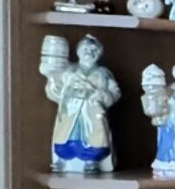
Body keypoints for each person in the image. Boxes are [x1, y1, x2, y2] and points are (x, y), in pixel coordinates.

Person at [43, 34, 120, 173]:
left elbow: (115, 92)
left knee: (95, 138)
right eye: (85, 49)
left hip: (92, 112)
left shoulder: (103, 74)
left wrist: (102, 95)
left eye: (94, 50)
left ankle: (92, 160)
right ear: (78, 52)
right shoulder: (69, 71)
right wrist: (52, 81)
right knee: (66, 136)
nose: (89, 53)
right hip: (71, 111)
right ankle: (63, 159)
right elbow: (56, 91)